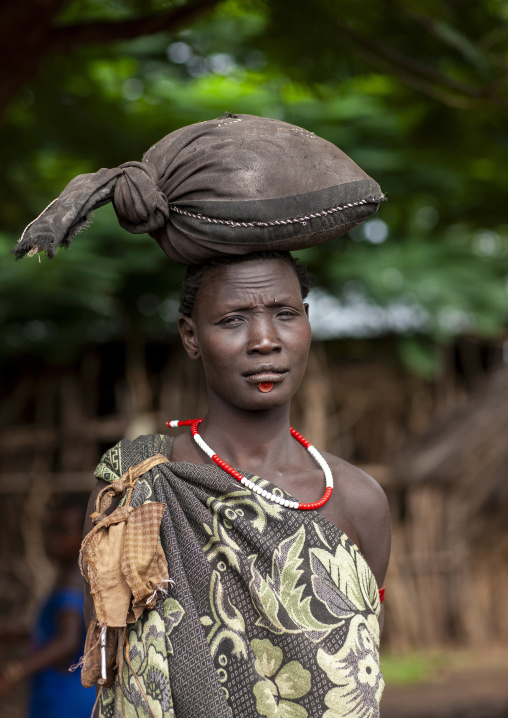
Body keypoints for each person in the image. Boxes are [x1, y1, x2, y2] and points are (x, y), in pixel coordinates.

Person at [15, 113, 390, 717]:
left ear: (308, 324)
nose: (264, 339)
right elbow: (112, 666)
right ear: (191, 336)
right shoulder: (140, 482)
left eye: (285, 313)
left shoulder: (356, 499)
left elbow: (356, 671)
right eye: (233, 319)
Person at [0, 496, 96, 718]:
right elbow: (59, 631)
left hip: (64, 698)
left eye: (62, 531)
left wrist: (13, 673)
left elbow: (67, 640)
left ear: (83, 536)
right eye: (51, 529)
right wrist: (20, 635)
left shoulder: (72, 584)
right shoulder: (75, 578)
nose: (52, 538)